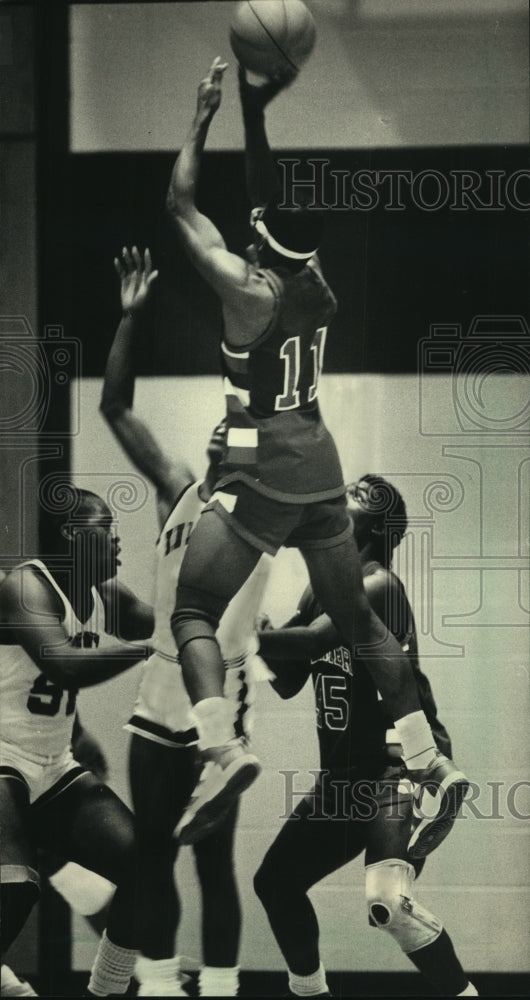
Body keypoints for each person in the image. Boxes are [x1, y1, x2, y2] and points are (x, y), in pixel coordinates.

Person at [165, 57, 468, 852]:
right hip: (318, 457)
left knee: (193, 610)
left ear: (259, 238)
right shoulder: (316, 287)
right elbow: (271, 199)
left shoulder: (244, 285)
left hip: (266, 460)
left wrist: (203, 118)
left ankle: (220, 747)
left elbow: (181, 205)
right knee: (361, 620)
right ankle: (431, 760)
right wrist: (257, 114)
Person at [99, 245, 272, 997]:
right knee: (151, 857)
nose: (214, 440)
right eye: (214, 434)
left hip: (215, 704)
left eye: (230, 438)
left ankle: (226, 988)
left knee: (213, 862)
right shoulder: (179, 492)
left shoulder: (262, 515)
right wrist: (129, 320)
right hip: (155, 699)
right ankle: (164, 985)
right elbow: (115, 408)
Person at [253, 476, 478, 999]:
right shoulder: (319, 589)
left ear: (373, 527)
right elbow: (288, 681)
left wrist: (234, 629)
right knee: (276, 884)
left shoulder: (379, 585)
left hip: (399, 766)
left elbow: (312, 640)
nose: (332, 507)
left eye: (346, 502)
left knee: (388, 903)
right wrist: (256, 630)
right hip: (345, 773)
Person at [0, 484, 154, 998]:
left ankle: (105, 990)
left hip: (52, 762)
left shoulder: (105, 594)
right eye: (104, 528)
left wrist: (235, 625)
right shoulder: (26, 585)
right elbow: (63, 665)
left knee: (141, 863)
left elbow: (176, 622)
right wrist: (149, 647)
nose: (115, 541)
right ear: (71, 533)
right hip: (2, 758)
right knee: (16, 890)